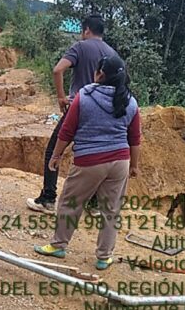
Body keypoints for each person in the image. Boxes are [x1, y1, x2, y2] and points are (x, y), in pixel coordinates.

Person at [33, 55, 140, 270]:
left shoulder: (85, 97)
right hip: (120, 161)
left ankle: (59, 245)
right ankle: (104, 257)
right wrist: (135, 166)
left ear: (100, 74)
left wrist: (56, 155)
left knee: (70, 203)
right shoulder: (130, 101)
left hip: (89, 161)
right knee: (111, 210)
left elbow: (67, 130)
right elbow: (135, 138)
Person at [26, 14, 120, 215]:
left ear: (86, 30)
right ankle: (94, 205)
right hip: (103, 112)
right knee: (96, 154)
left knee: (54, 151)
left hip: (78, 108)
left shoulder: (80, 47)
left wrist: (61, 98)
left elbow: (58, 70)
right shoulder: (112, 53)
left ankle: (48, 198)